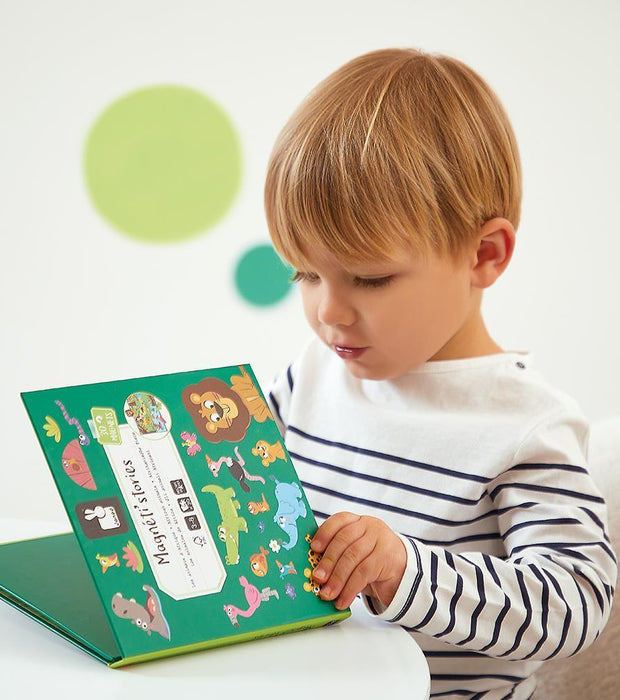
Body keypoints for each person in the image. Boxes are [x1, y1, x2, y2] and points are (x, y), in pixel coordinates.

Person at [263, 48, 617, 699]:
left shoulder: (524, 427)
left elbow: (574, 604)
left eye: (369, 278)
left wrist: (405, 571)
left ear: (484, 255)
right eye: (305, 273)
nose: (328, 311)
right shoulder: (311, 374)